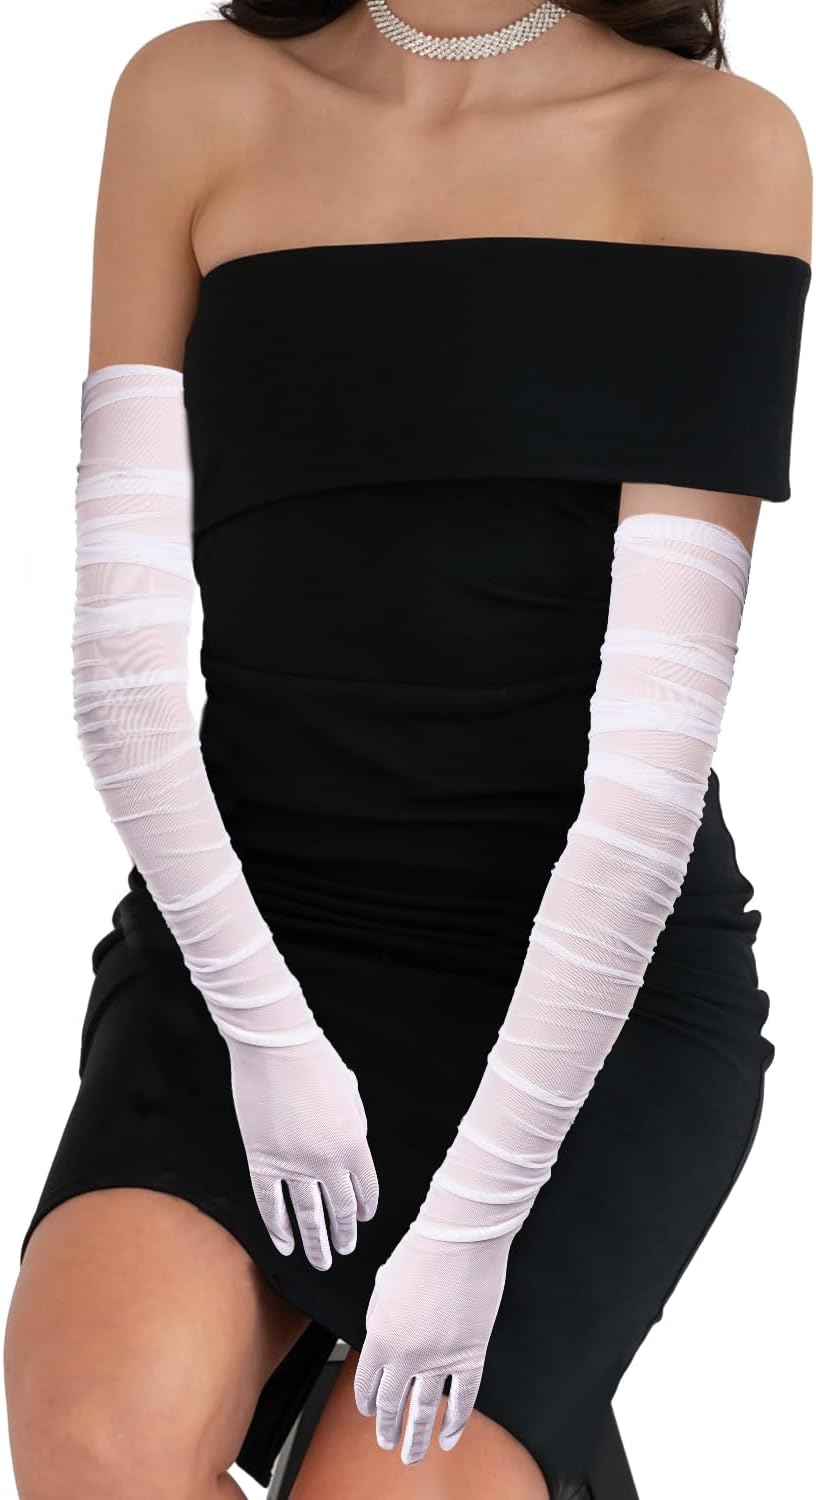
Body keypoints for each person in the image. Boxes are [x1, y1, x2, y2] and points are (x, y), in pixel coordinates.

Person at [3, 3, 811, 1498]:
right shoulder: (193, 95)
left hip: (588, 977)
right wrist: (264, 1029)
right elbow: (122, 680)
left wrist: (478, 1213)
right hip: (252, 940)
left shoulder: (715, 147)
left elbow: (643, 789)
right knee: (101, 1442)